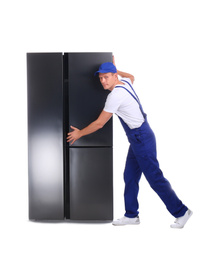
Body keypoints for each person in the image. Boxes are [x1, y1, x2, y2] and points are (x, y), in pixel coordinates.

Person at [67, 57, 193, 228]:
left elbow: (99, 123)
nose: (103, 81)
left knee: (155, 178)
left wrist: (80, 133)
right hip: (138, 137)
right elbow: (132, 76)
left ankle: (181, 212)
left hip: (141, 138)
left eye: (107, 77)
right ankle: (131, 215)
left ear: (114, 77)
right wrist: (117, 70)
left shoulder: (115, 96)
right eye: (101, 78)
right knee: (130, 176)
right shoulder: (125, 82)